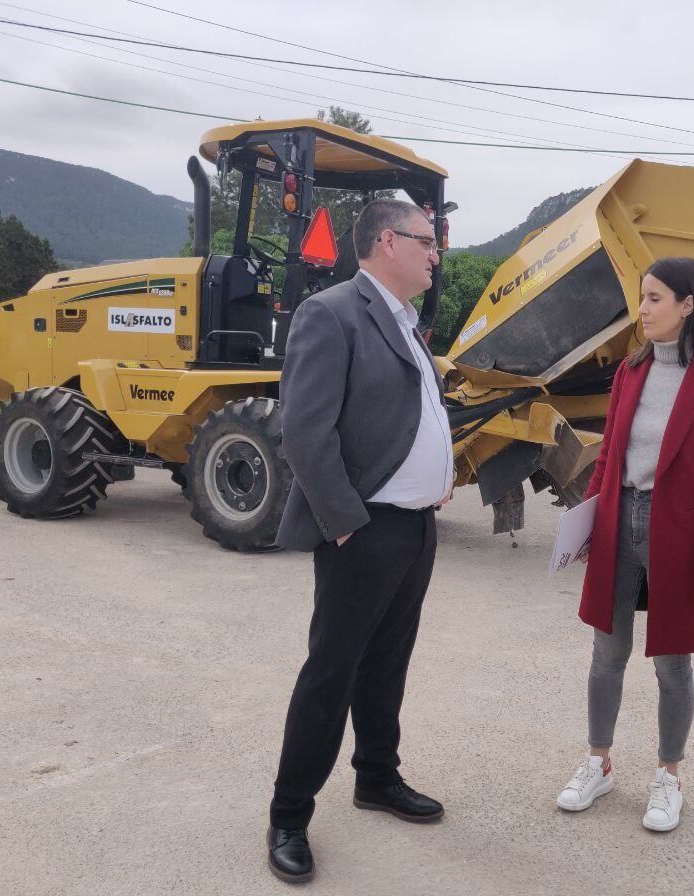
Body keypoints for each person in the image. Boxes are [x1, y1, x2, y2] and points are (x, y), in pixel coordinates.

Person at [267, 198, 453, 883]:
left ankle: (376, 776)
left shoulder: (406, 322)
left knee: (387, 664)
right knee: (331, 674)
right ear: (385, 241)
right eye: (425, 240)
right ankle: (288, 814)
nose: (436, 253)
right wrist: (344, 522)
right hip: (364, 528)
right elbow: (305, 431)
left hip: (414, 527)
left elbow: (411, 410)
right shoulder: (333, 312)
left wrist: (440, 473)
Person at [555, 256, 694, 832]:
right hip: (617, 522)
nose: (643, 311)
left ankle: (669, 776)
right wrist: (586, 524)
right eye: (642, 299)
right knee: (606, 654)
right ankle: (598, 763)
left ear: (689, 305)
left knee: (672, 662)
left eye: (655, 299)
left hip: (676, 535)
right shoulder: (631, 373)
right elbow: (608, 455)